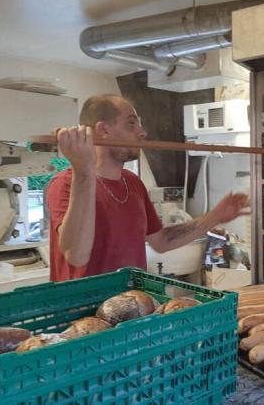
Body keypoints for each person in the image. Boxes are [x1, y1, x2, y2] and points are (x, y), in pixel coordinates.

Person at [47, 93, 249, 281]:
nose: (142, 132)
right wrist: (84, 171)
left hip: (132, 305)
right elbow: (77, 255)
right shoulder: (65, 183)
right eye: (131, 125)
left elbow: (161, 241)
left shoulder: (133, 183)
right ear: (103, 130)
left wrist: (215, 216)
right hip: (82, 314)